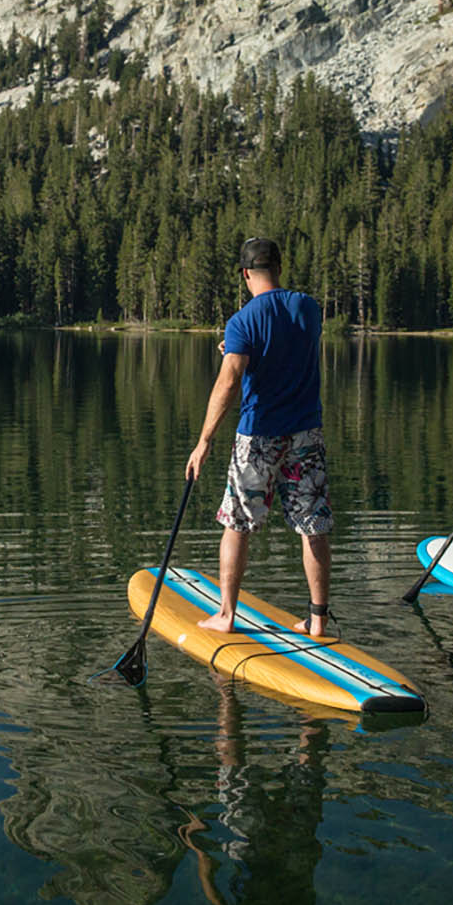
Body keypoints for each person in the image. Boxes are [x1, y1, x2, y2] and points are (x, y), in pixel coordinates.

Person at [185, 237, 332, 636]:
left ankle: (226, 615)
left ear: (245, 273)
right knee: (313, 524)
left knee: (237, 523)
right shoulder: (309, 308)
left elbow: (230, 380)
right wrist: (238, 347)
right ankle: (318, 620)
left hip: (259, 436)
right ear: (279, 268)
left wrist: (204, 441)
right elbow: (286, 346)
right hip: (306, 434)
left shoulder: (243, 321)